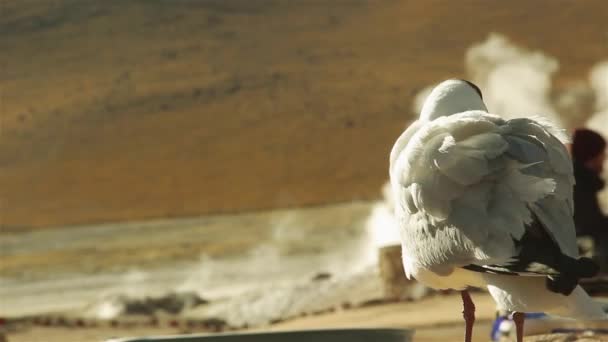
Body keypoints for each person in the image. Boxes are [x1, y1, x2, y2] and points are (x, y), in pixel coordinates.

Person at [571, 128, 608, 272]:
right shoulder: (579, 183)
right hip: (584, 246)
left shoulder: (579, 179)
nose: (604, 158)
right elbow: (587, 224)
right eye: (602, 153)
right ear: (592, 155)